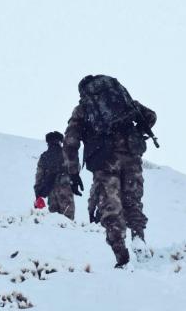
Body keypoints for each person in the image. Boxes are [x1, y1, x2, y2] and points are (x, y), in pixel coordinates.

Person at [63, 75, 157, 268]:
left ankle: (122, 256)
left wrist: (73, 173)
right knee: (133, 202)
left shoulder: (83, 108)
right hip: (131, 155)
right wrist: (135, 130)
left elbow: (70, 141)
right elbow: (150, 116)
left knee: (111, 207)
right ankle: (138, 238)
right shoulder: (121, 99)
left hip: (104, 161)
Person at [34, 131, 75, 219]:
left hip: (50, 191)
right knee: (68, 220)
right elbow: (74, 169)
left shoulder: (44, 156)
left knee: (54, 220)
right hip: (65, 189)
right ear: (60, 142)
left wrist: (38, 194)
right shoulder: (66, 154)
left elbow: (39, 176)